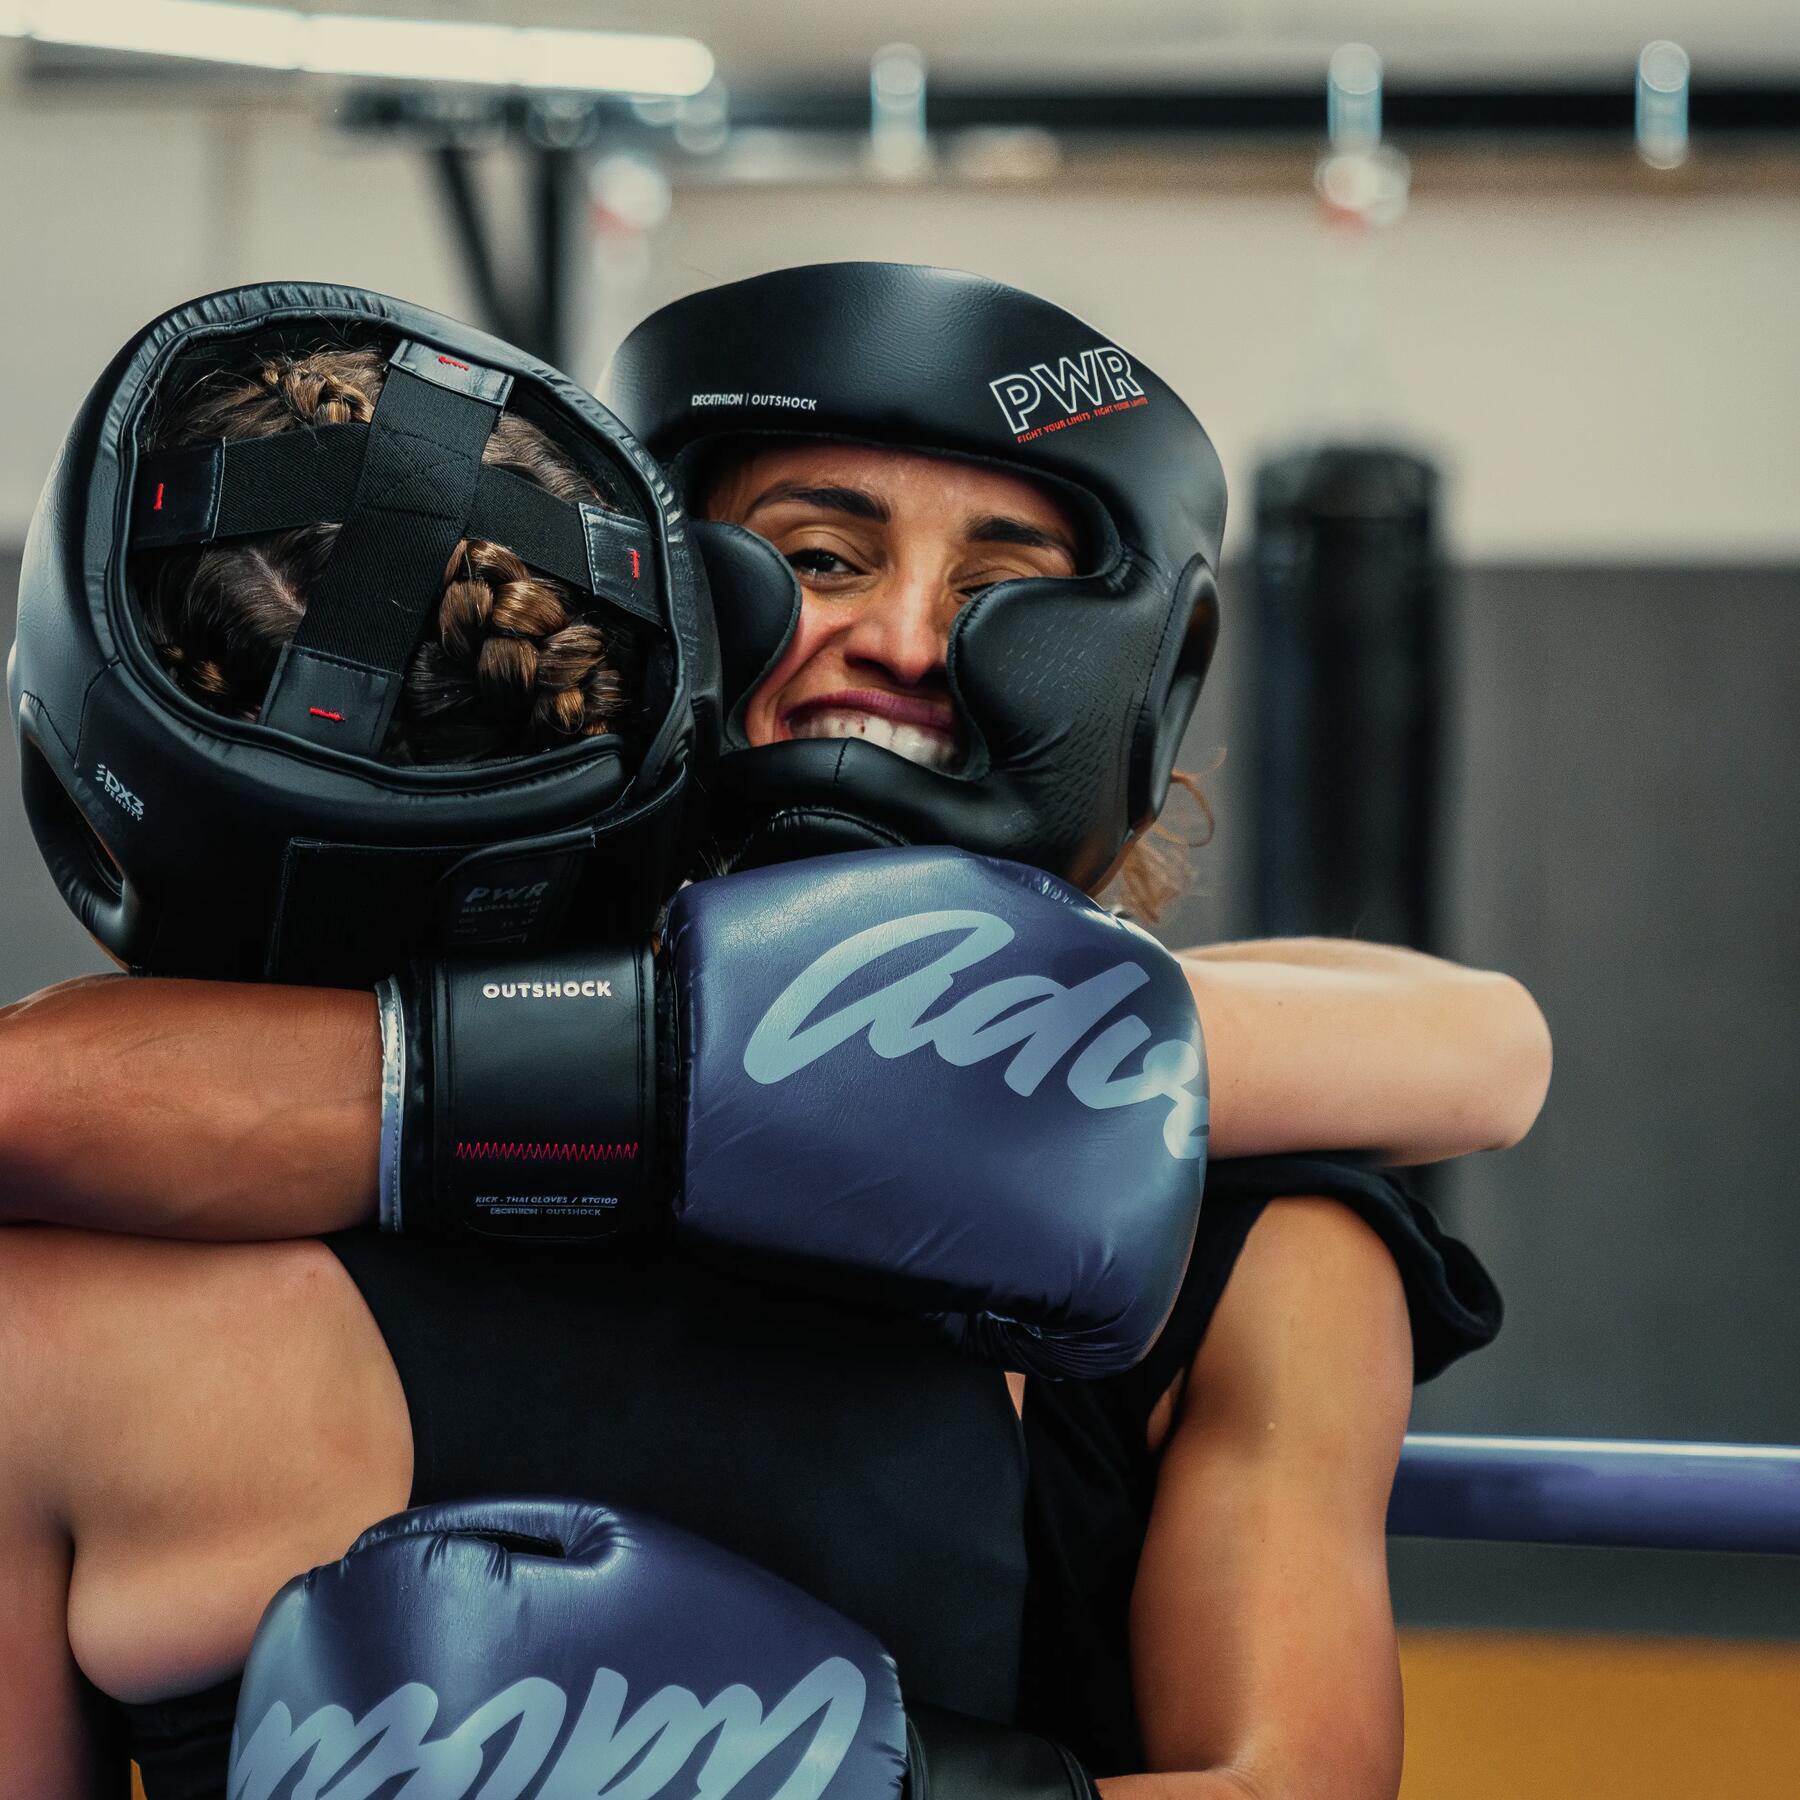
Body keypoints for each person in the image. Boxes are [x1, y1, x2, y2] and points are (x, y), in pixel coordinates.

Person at [0, 271, 1543, 1797]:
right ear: (644, 584)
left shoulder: (1265, 1244)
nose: (910, 640)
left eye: (1007, 580)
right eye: (820, 554)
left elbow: (1301, 1778)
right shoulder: (110, 1278)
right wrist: (682, 1048)